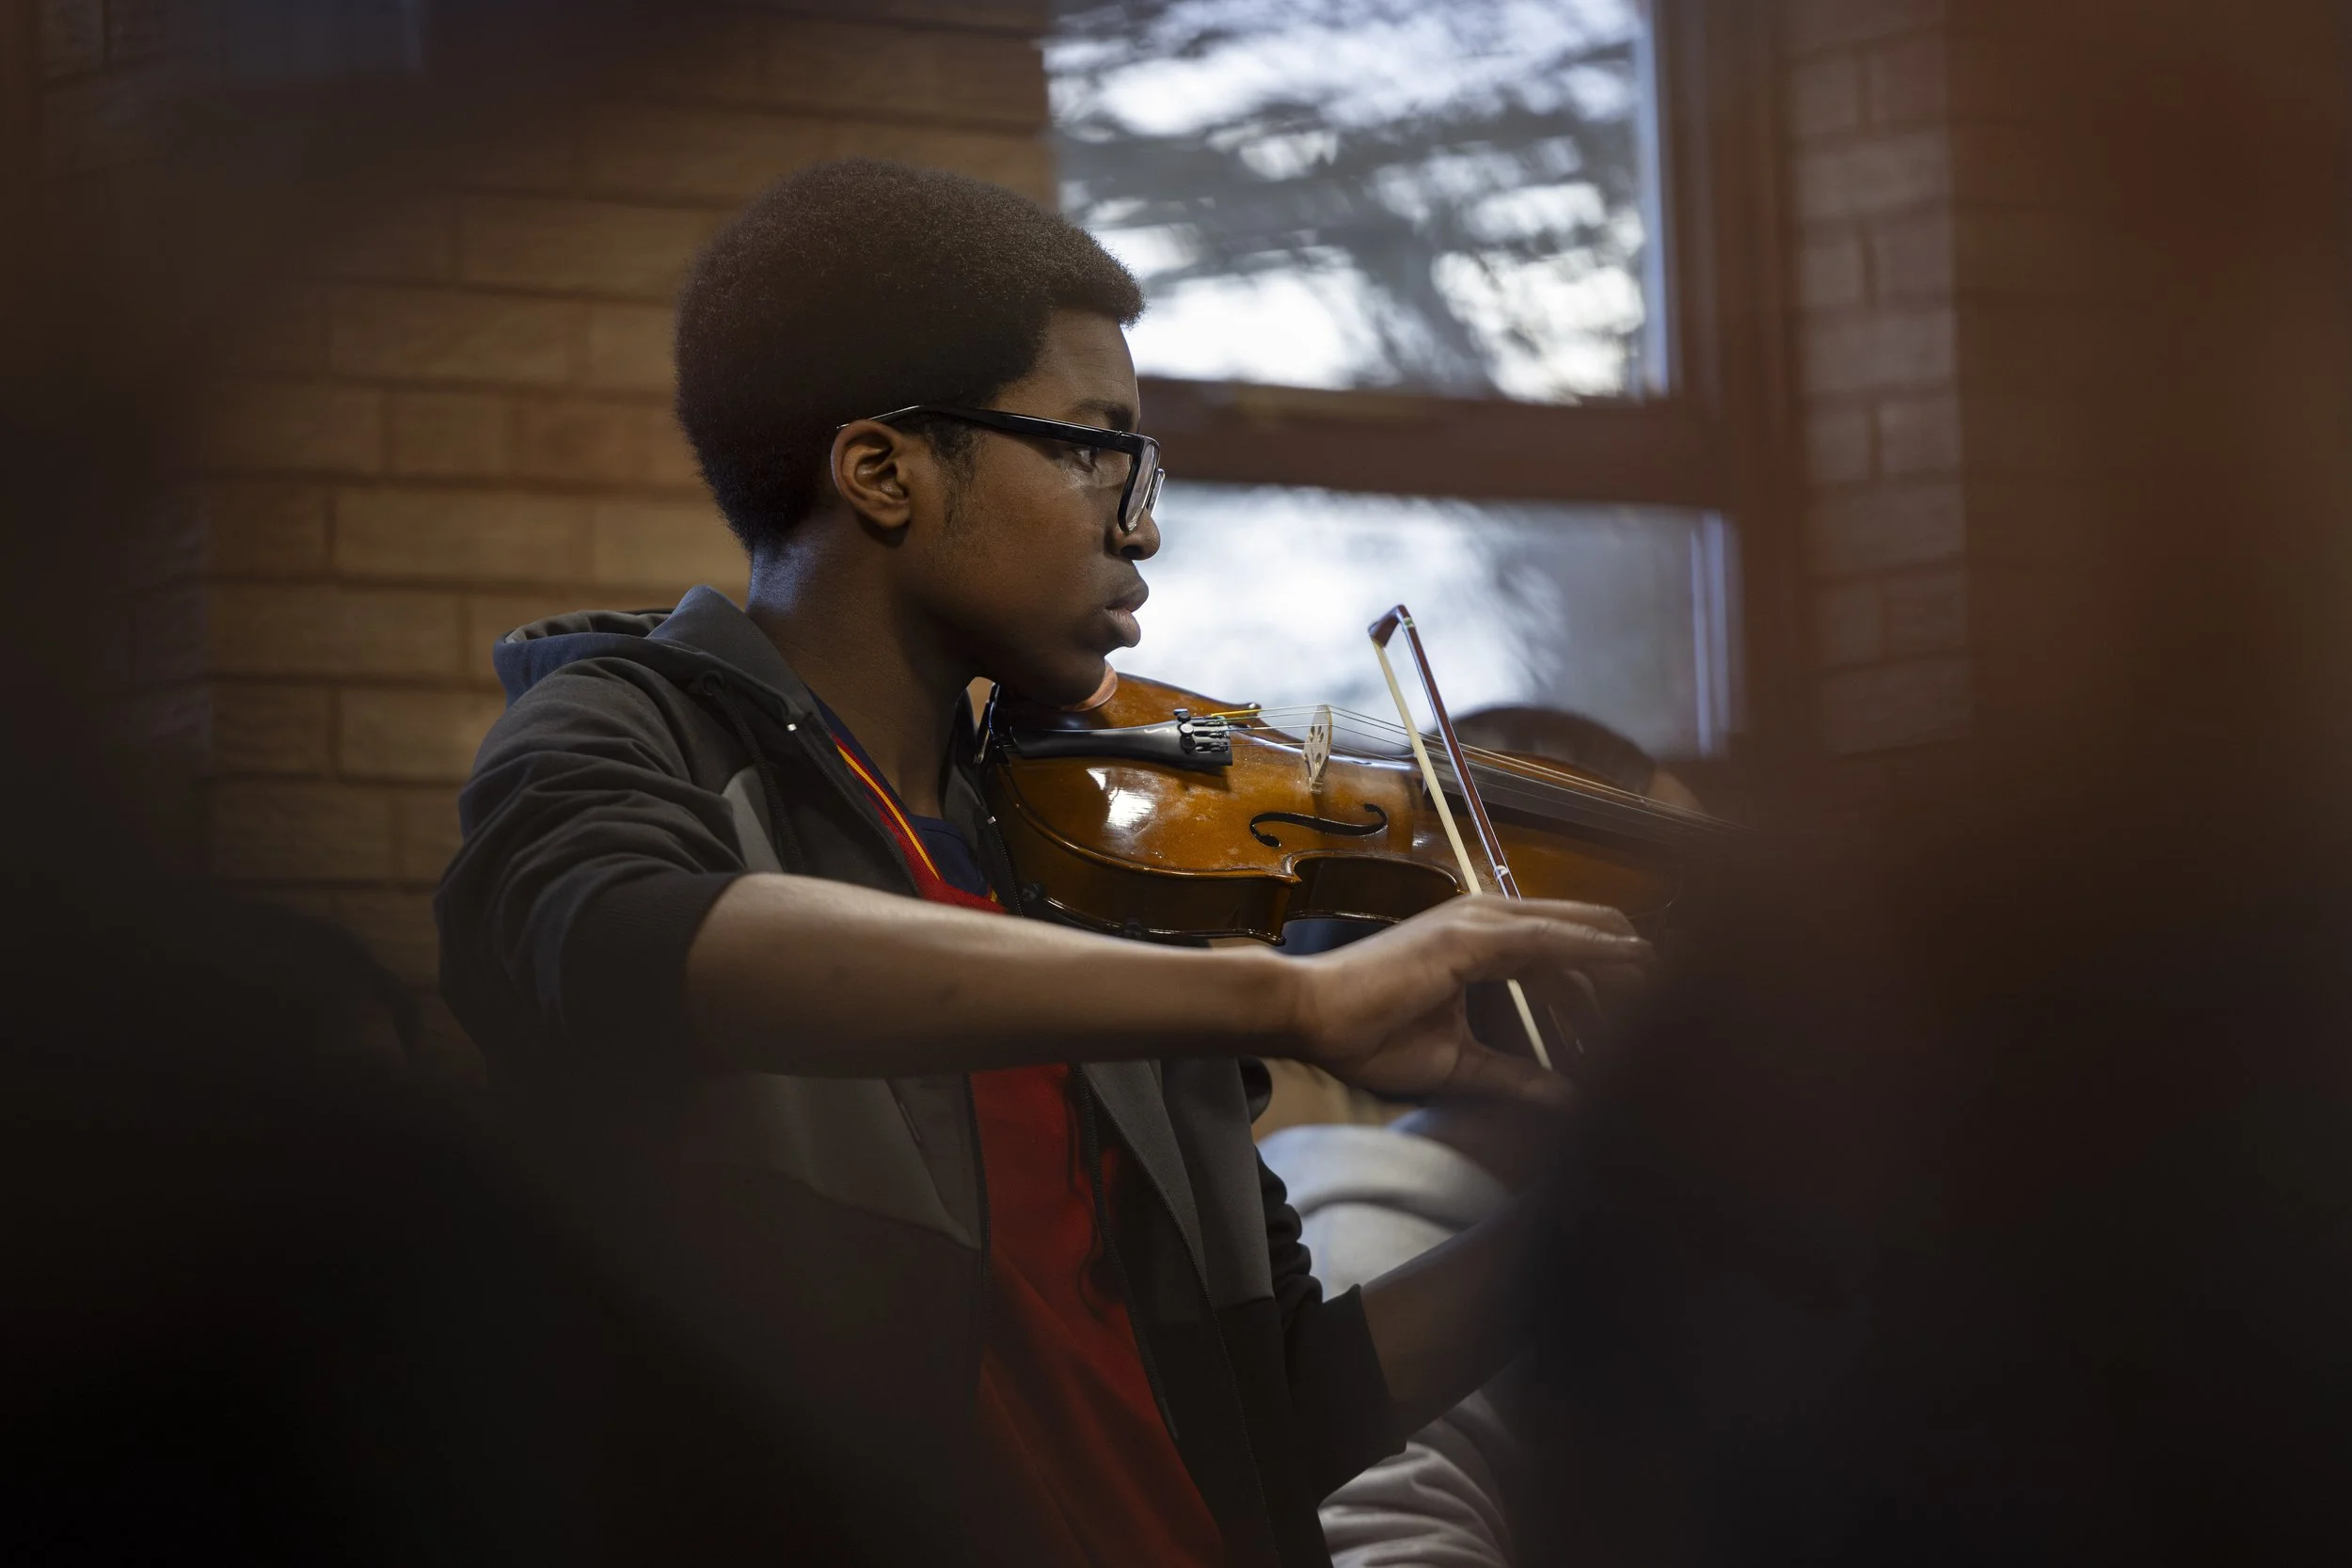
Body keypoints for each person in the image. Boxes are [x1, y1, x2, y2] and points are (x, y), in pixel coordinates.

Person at [433, 160, 1648, 1568]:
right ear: (881, 470)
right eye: (1093, 447)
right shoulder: (620, 731)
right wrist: (1287, 1001)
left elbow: (1278, 1414)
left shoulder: (1091, 845)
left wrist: (1617, 1204)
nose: (1140, 523)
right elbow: (629, 936)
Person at [1260, 709, 1692, 1567]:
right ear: (1561, 966)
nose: (1719, 964)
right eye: (1677, 917)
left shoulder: (1603, 1206)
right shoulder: (1365, 1252)